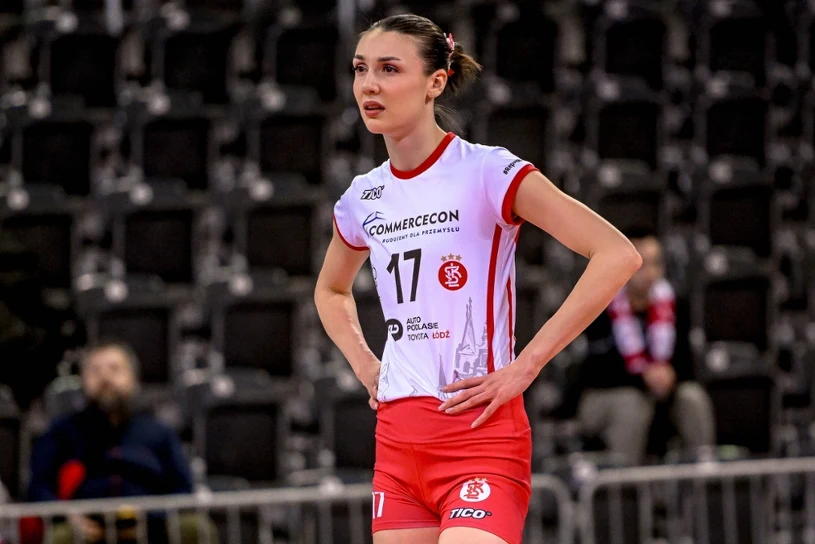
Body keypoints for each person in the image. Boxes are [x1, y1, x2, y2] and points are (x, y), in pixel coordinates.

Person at [313, 14, 642, 544]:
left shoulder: (487, 171)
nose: (369, 84)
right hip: (398, 441)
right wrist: (366, 364)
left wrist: (527, 365)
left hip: (479, 434)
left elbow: (616, 254)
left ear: (435, 82)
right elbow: (330, 290)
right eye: (360, 69)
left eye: (389, 69)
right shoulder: (361, 197)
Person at [27, 341, 216, 544]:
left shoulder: (159, 432)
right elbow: (38, 487)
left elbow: (183, 488)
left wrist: (154, 519)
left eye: (114, 369)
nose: (105, 377)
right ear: (83, 381)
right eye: (95, 370)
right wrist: (67, 516)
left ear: (133, 379)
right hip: (85, 529)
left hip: (153, 528)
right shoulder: (61, 431)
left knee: (194, 528)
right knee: (61, 536)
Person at [577, 230, 716, 465]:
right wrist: (643, 375)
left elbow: (687, 363)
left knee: (692, 398)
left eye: (655, 264)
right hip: (605, 395)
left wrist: (670, 375)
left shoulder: (676, 305)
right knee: (631, 405)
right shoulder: (599, 304)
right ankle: (623, 484)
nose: (650, 273)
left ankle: (703, 478)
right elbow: (594, 372)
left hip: (658, 395)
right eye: (641, 265)